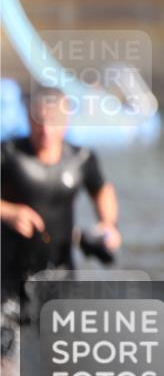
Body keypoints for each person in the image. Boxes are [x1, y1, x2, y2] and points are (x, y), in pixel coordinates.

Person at [0, 88, 121, 307]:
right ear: (28, 117)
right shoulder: (8, 154)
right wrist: (8, 212)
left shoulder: (81, 158)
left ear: (66, 121)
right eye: (39, 121)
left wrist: (108, 224)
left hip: (60, 272)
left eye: (53, 121)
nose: (46, 130)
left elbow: (102, 190)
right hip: (8, 274)